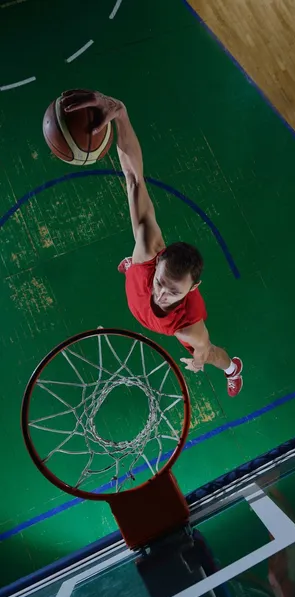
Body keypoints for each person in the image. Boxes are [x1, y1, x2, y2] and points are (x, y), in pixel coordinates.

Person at [61, 90, 243, 397]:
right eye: (161, 282)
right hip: (141, 271)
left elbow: (200, 349)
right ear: (157, 261)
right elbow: (134, 177)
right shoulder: (149, 248)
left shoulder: (188, 326)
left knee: (212, 355)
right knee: (137, 246)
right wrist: (121, 114)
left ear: (192, 290)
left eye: (174, 291)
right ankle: (132, 267)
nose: (161, 294)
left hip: (178, 328)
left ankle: (233, 369)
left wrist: (199, 362)